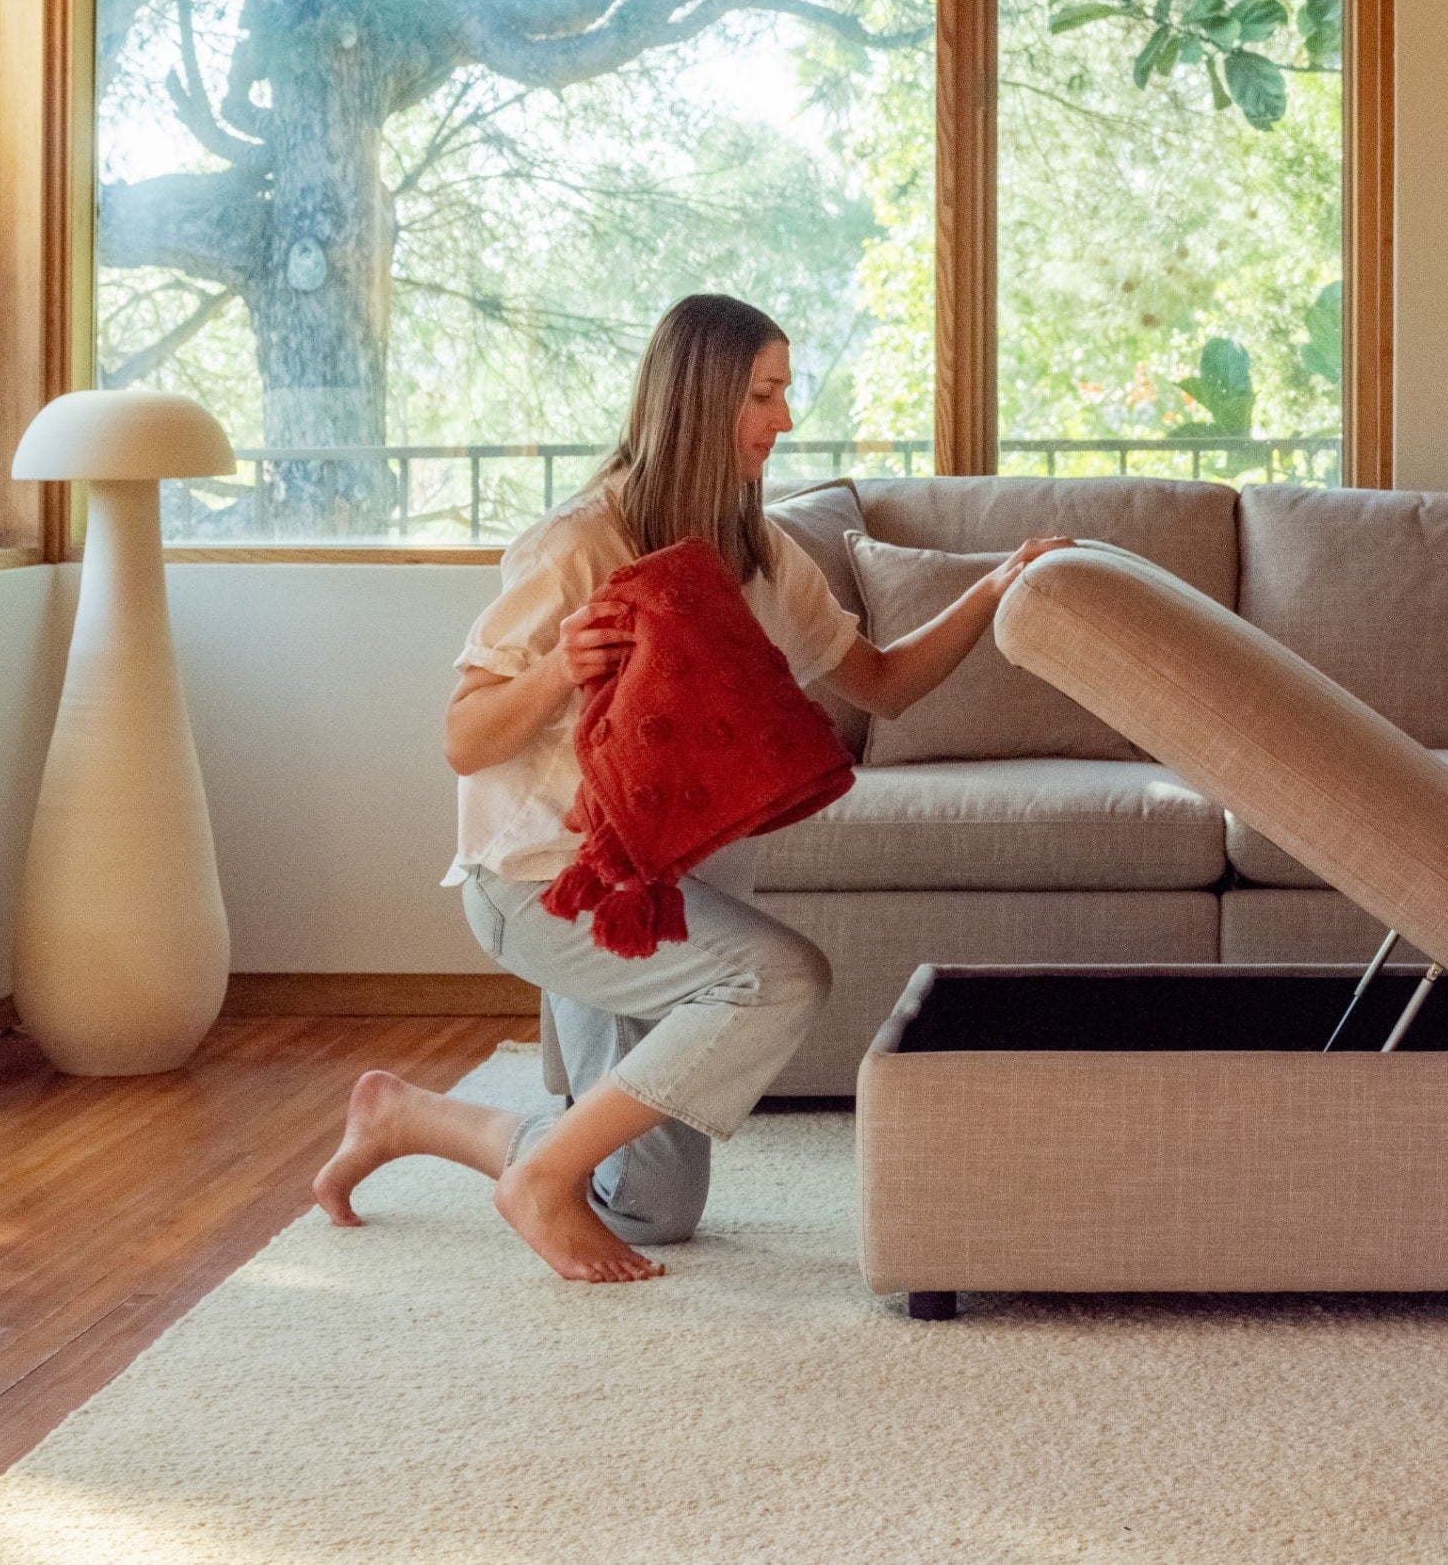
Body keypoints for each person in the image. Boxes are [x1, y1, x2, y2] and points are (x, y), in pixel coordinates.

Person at [312, 293, 1067, 1282]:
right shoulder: (576, 544)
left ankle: (404, 1116)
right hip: (551, 883)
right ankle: (538, 1180)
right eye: (763, 394)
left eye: (783, 392)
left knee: (651, 1206)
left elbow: (883, 682)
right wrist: (559, 670)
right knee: (778, 976)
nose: (784, 418)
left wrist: (995, 586)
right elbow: (462, 739)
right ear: (700, 401)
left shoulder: (758, 553)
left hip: (665, 890)